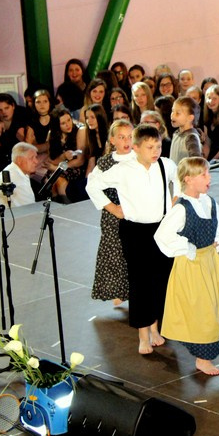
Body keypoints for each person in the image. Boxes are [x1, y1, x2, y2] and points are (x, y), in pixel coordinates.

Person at [86, 124, 179, 355]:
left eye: (158, 146)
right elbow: (93, 185)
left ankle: (155, 327)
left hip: (161, 229)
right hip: (135, 231)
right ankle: (143, 334)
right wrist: (112, 208)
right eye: (149, 147)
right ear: (136, 148)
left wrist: (175, 200)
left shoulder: (165, 165)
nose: (155, 151)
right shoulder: (123, 169)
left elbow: (179, 179)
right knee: (140, 281)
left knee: (160, 280)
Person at [154, 157, 219, 376]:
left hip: (210, 262)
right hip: (192, 265)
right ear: (188, 179)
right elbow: (162, 235)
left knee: (215, 308)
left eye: (208, 173)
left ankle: (204, 357)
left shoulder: (209, 202)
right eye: (203, 174)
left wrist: (217, 239)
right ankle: (203, 359)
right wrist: (187, 248)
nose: (209, 178)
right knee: (202, 312)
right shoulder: (181, 208)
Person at [90, 119, 133, 307]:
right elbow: (92, 187)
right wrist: (112, 208)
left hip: (136, 213)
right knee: (115, 254)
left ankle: (134, 290)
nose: (126, 141)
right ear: (112, 140)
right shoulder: (106, 163)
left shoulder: (139, 159)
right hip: (113, 215)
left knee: (134, 254)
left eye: (130, 137)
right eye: (122, 137)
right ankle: (120, 290)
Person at [46, 106, 87, 202]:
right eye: (63, 123)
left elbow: (80, 161)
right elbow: (51, 160)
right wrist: (63, 156)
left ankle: (66, 206)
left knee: (58, 179)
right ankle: (55, 206)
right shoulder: (52, 134)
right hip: (60, 167)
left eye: (69, 120)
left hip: (76, 168)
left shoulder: (80, 131)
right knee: (49, 181)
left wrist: (57, 168)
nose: (68, 125)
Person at [0, 142, 39, 210]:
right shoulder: (15, 178)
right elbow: (30, 209)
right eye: (31, 158)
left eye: (36, 157)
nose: (36, 161)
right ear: (19, 160)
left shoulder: (15, 171)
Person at [169, 96, 203, 163]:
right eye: (172, 111)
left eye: (178, 113)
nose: (172, 115)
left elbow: (196, 162)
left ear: (190, 118)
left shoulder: (191, 137)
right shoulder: (176, 133)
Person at [84, 104, 109, 176]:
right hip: (97, 174)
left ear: (100, 117)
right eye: (87, 118)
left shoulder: (109, 135)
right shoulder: (92, 136)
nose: (89, 121)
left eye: (92, 117)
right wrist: (87, 180)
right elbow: (91, 164)